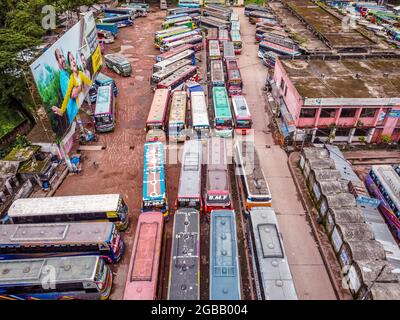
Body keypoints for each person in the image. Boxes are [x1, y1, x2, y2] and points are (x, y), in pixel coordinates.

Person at [52, 51, 92, 123]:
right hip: (75, 114)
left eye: (73, 59)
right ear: (57, 61)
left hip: (79, 109)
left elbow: (88, 84)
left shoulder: (71, 74)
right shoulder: (65, 77)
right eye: (60, 57)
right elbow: (73, 94)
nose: (63, 59)